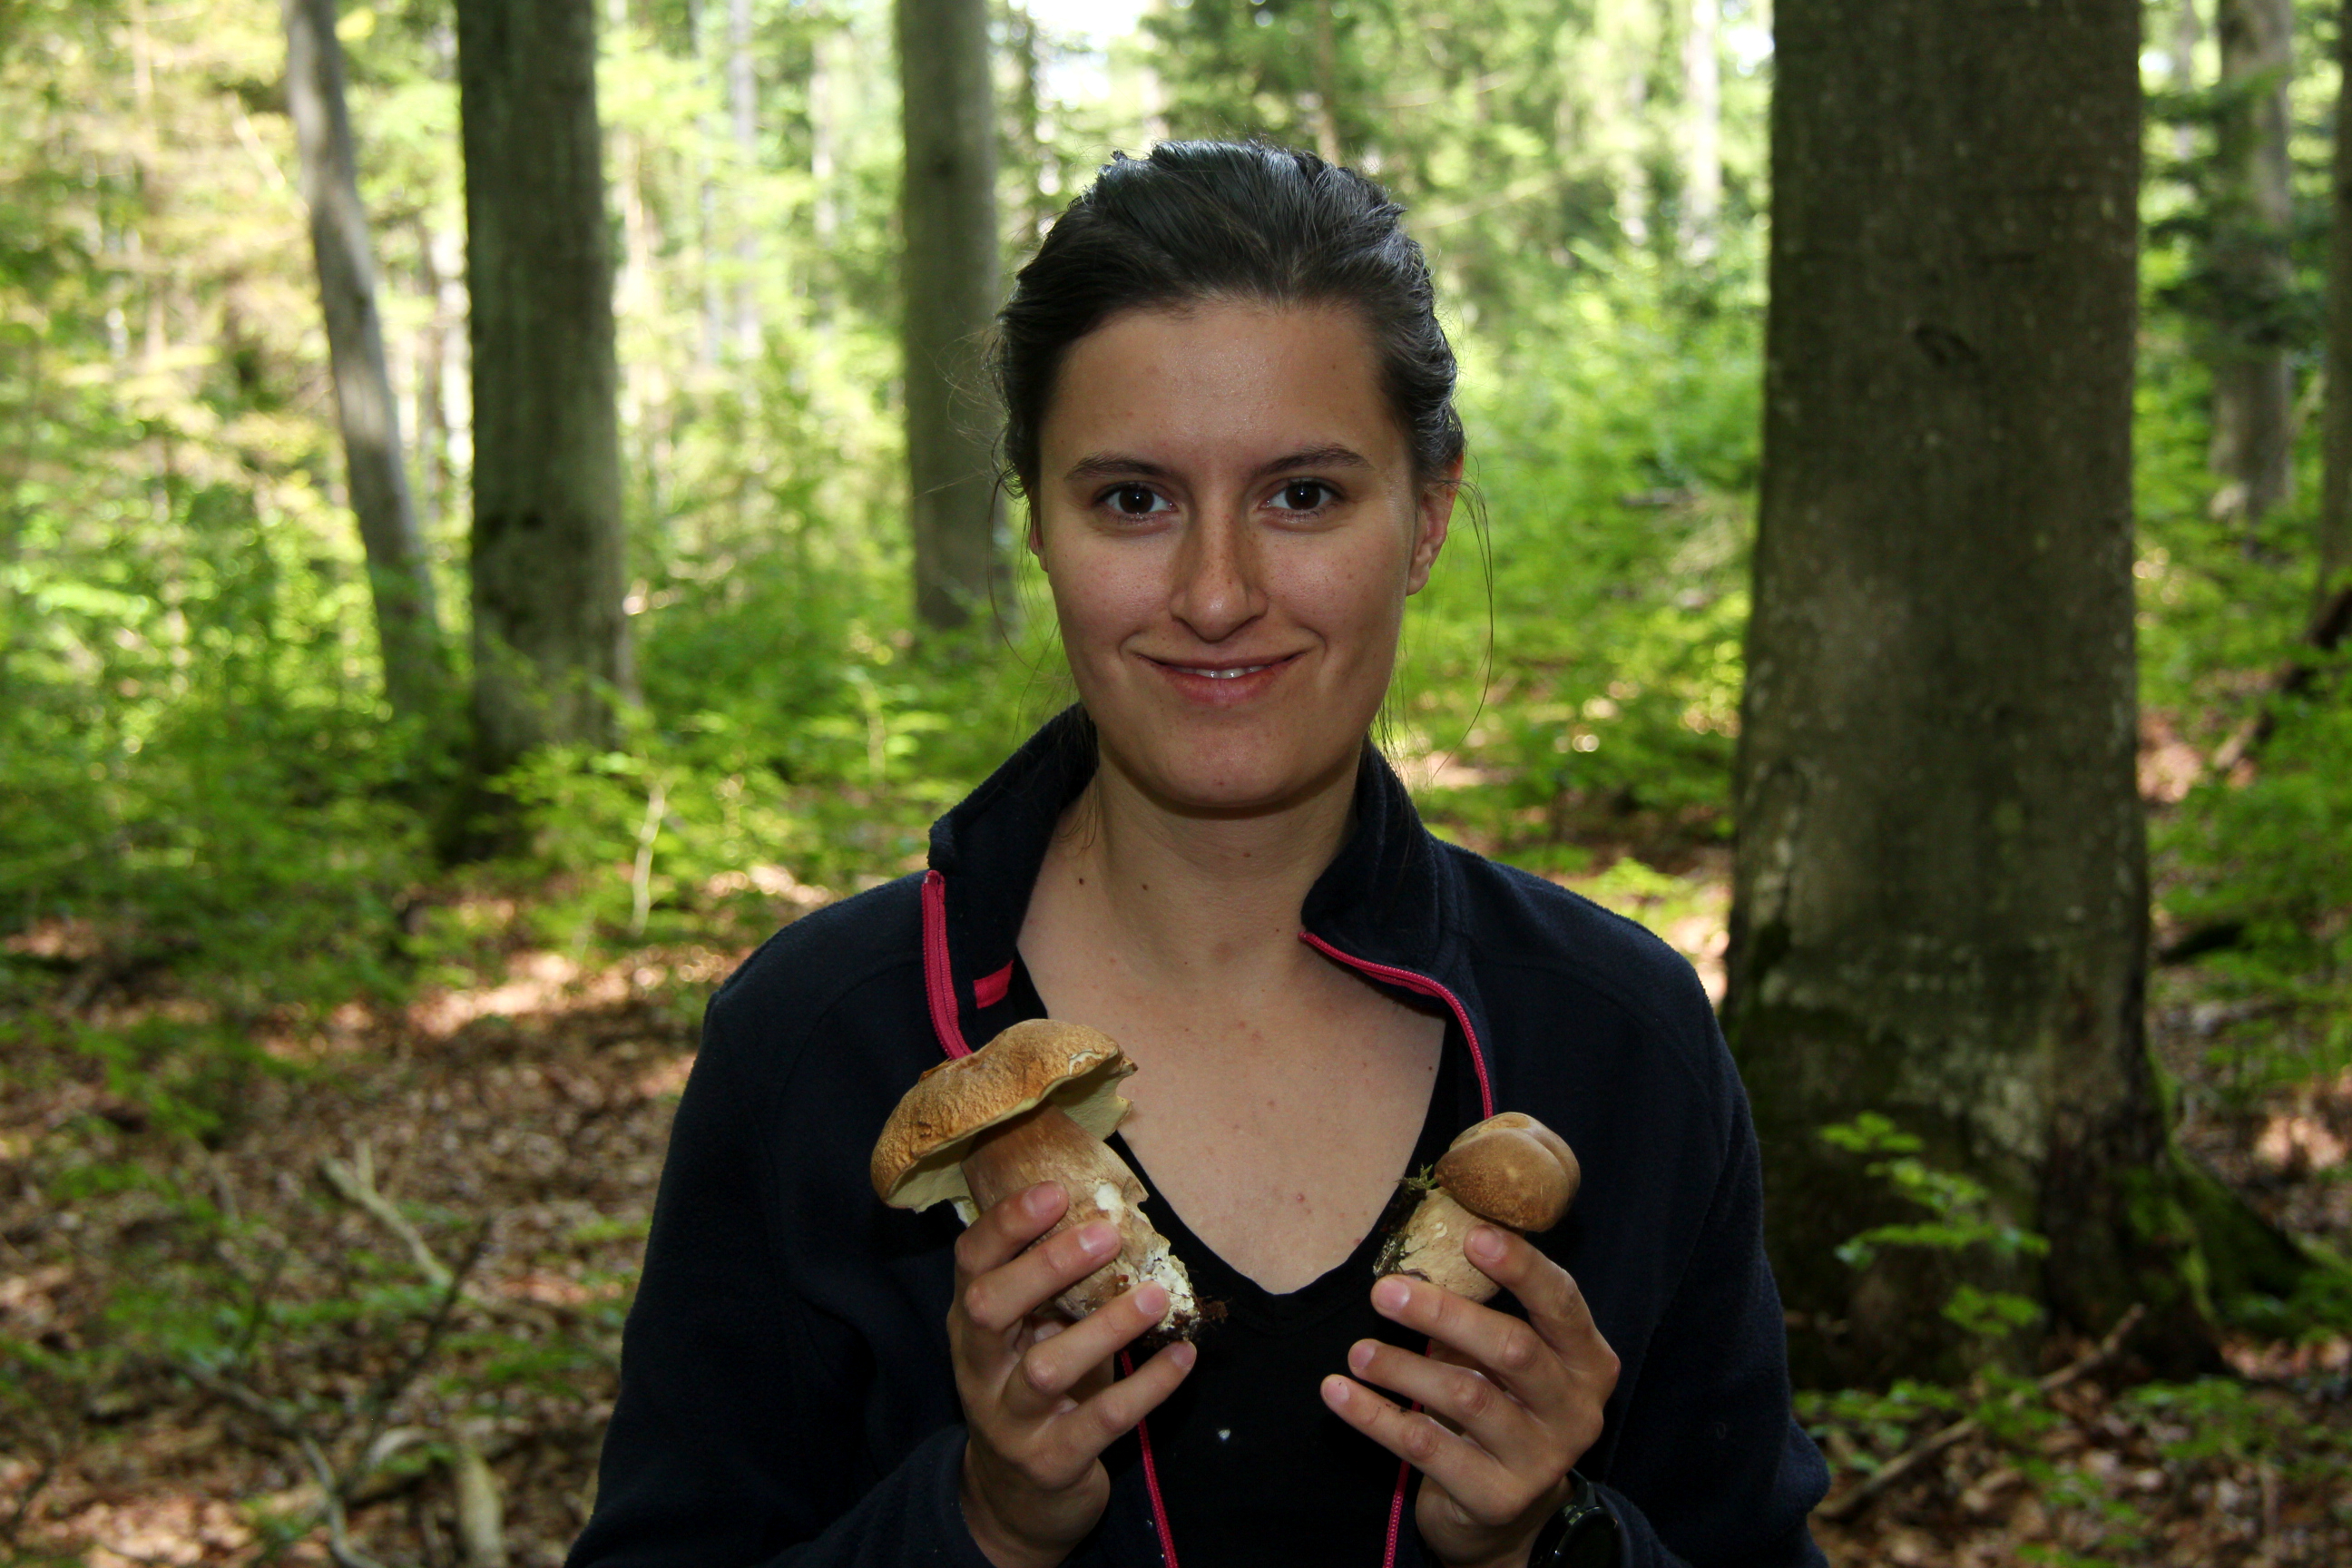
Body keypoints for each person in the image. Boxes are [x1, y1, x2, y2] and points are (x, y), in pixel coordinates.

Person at [568, 142, 1828, 1568]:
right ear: (1036, 523)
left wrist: (1556, 1541)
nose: (1216, 594)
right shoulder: (814, 1044)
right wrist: (977, 1527)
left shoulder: (1620, 1041)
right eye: (1132, 499)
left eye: (1303, 496)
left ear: (1425, 518)